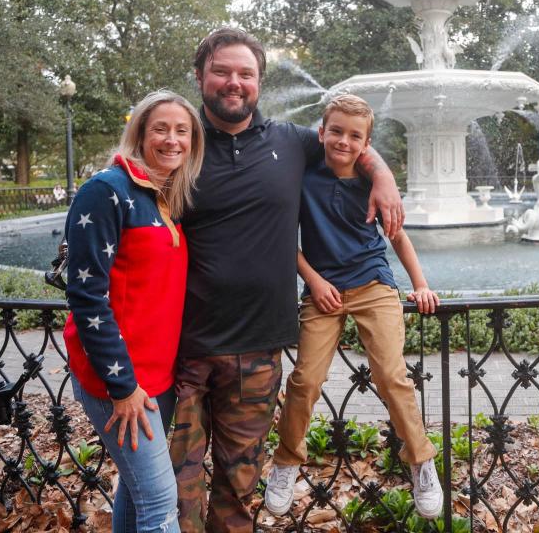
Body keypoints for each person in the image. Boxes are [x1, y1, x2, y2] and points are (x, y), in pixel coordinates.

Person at [170, 28, 403, 533]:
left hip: (258, 349)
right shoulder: (179, 144)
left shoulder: (291, 143)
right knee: (174, 485)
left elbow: (350, 140)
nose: (234, 83)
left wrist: (381, 174)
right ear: (200, 76)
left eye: (245, 74)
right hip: (184, 349)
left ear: (259, 82)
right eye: (222, 72)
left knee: (238, 488)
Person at [263, 95, 443, 519]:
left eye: (355, 135)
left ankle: (420, 461)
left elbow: (397, 236)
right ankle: (287, 462)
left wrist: (421, 285)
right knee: (305, 379)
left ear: (367, 144)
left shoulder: (371, 182)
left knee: (391, 374)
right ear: (321, 132)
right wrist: (313, 279)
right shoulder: (302, 178)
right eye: (337, 131)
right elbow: (285, 240)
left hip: (373, 284)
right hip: (323, 290)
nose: (344, 141)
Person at [63, 89, 205, 533]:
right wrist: (122, 387)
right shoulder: (107, 190)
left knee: (137, 490)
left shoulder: (165, 198)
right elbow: (87, 295)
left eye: (182, 131)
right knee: (161, 504)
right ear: (140, 133)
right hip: (119, 382)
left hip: (157, 380)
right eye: (160, 128)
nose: (172, 140)